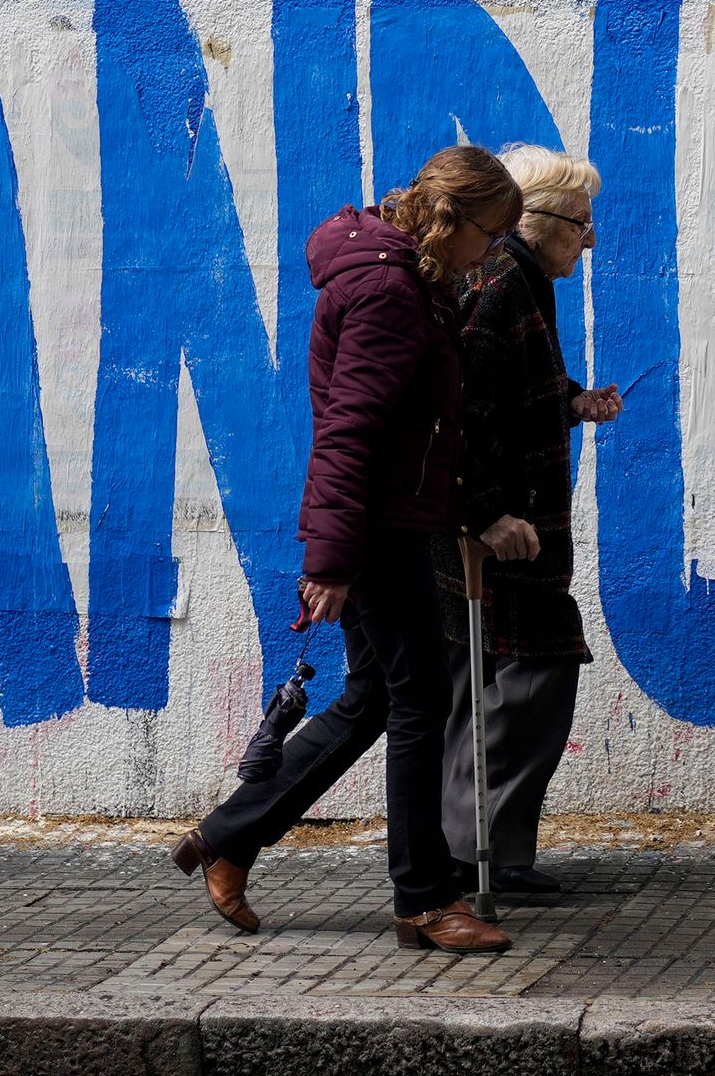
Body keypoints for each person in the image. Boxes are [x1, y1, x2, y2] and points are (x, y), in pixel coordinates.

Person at [169, 145, 525, 953]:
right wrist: (329, 562)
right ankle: (424, 902)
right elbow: (349, 430)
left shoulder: (409, 285)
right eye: (489, 235)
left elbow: (417, 427)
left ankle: (229, 836)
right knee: (423, 700)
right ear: (452, 222)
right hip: (377, 531)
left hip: (387, 521)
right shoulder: (391, 294)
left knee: (374, 696)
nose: (491, 254)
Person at [438, 145, 624, 896]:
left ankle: (482, 849)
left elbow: (510, 391)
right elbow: (463, 414)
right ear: (537, 221)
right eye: (580, 224)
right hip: (504, 538)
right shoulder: (499, 283)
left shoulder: (523, 281)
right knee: (522, 680)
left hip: (518, 533)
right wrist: (487, 516)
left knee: (499, 685)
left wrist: (571, 400)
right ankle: (478, 854)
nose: (590, 239)